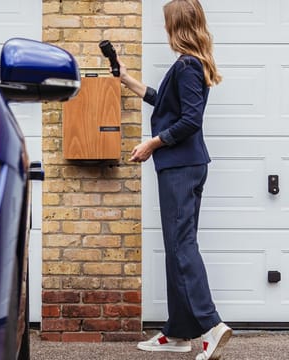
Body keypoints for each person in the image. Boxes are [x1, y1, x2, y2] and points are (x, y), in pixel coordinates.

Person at [115, 0, 232, 359]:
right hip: (186, 166)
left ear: (176, 26)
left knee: (181, 248)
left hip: (181, 168)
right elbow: (166, 104)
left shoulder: (187, 66)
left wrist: (153, 143)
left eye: (167, 23)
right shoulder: (189, 65)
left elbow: (190, 120)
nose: (164, 29)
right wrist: (127, 79)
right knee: (177, 248)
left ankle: (211, 326)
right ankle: (179, 333)